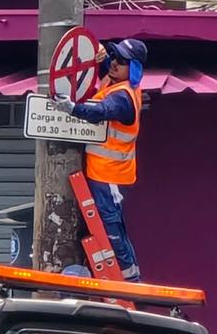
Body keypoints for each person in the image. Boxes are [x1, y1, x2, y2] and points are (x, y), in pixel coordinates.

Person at [54, 38, 147, 282]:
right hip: (102, 172)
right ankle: (128, 274)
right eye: (115, 57)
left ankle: (129, 280)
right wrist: (100, 52)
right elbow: (106, 61)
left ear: (134, 68)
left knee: (111, 228)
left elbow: (100, 112)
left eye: (122, 61)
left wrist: (71, 108)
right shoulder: (116, 81)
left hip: (109, 175)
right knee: (111, 227)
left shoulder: (123, 97)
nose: (114, 63)